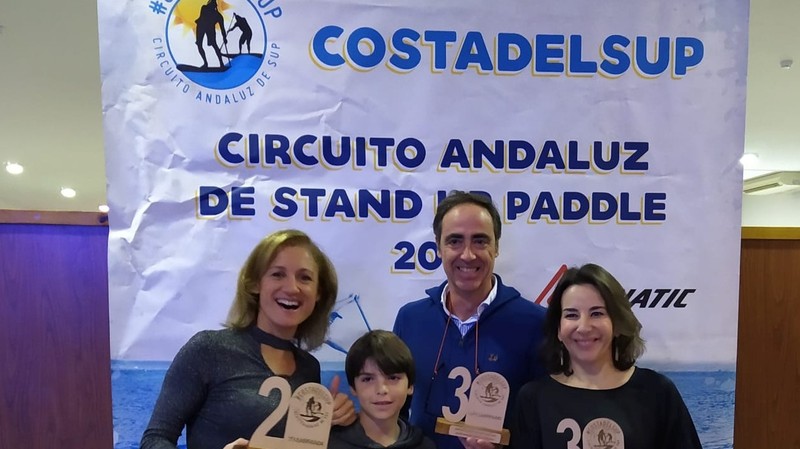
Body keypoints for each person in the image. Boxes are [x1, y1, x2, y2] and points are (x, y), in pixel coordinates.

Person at [140, 229, 356, 449]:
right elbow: (154, 440)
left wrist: (335, 421)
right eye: (277, 274)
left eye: (305, 278)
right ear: (254, 284)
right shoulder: (209, 349)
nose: (292, 288)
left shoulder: (309, 369)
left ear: (319, 293)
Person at [393, 190, 547, 449]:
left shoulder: (535, 324)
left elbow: (543, 425)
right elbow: (393, 415)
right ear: (438, 248)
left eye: (480, 241)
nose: (467, 255)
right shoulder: (410, 319)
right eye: (455, 241)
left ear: (496, 247)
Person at [509, 263, 703, 449]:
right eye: (571, 315)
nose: (584, 327)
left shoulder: (658, 392)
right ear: (558, 329)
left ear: (617, 323)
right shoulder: (533, 399)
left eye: (597, 313)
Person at [328, 330, 436, 449]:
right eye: (368, 379)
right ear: (353, 387)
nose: (382, 389)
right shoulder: (328, 443)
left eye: (393, 378)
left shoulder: (425, 445)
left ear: (410, 385)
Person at [194, 0, 227, 68]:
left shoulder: (218, 16)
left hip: (210, 29)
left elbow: (222, 28)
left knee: (214, 44)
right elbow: (203, 16)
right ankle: (205, 63)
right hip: (201, 26)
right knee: (199, 44)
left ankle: (221, 63)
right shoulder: (204, 8)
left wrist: (224, 37)